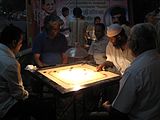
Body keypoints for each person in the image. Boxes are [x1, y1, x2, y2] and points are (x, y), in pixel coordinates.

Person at [88, 23, 160, 120]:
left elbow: (118, 113)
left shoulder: (134, 72)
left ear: (135, 44)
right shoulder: (155, 59)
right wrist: (104, 64)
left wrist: (107, 107)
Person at [0, 25, 55, 120]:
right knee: (46, 108)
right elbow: (18, 94)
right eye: (21, 43)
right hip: (5, 105)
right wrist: (28, 93)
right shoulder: (10, 63)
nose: (21, 46)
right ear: (14, 43)